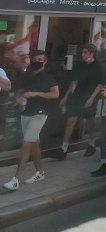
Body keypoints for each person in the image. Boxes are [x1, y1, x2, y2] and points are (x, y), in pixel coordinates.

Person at [3, 51, 59, 190]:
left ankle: (15, 179)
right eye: (35, 59)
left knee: (26, 143)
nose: (36, 61)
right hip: (26, 112)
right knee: (34, 144)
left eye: (40, 59)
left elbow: (55, 94)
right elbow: (19, 90)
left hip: (39, 114)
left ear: (45, 62)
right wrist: (19, 98)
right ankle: (40, 172)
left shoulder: (48, 77)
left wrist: (36, 93)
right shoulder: (27, 75)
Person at [56, 44, 105, 160]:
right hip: (77, 95)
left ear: (92, 53)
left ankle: (92, 143)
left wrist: (91, 98)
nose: (82, 55)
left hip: (89, 95)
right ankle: (64, 148)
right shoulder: (79, 66)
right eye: (82, 52)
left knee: (90, 121)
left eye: (85, 52)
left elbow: (100, 84)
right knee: (71, 120)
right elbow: (74, 82)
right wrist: (66, 96)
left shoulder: (97, 66)